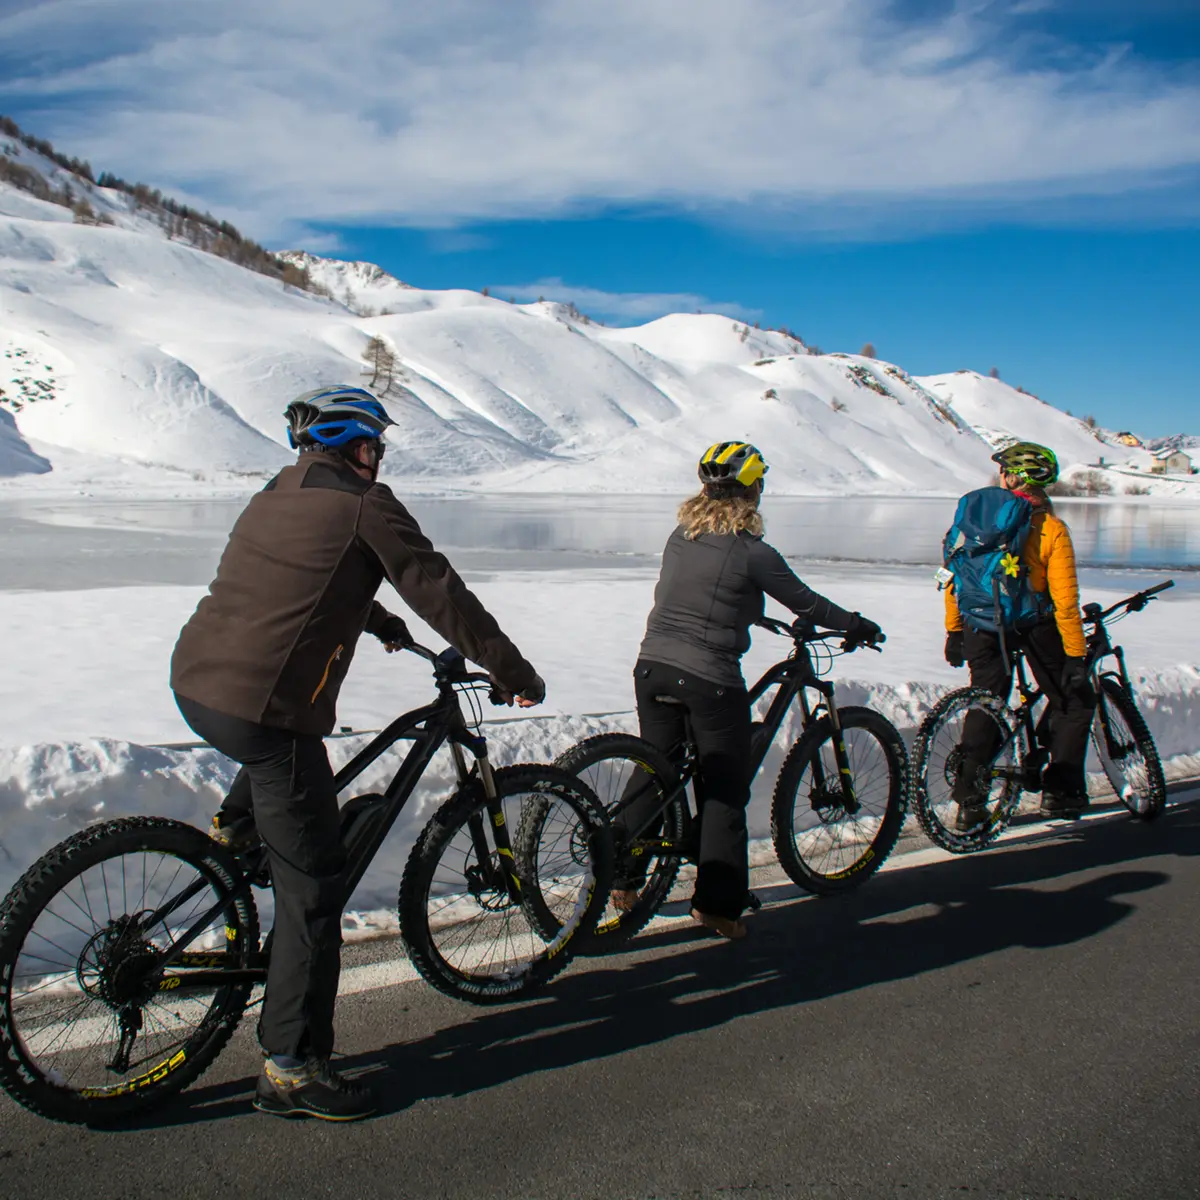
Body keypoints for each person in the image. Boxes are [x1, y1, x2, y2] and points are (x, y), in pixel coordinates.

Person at [170, 385, 544, 1121]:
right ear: (352, 444)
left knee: (283, 777)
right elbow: (440, 591)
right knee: (314, 885)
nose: (380, 457)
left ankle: (235, 831)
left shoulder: (279, 491)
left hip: (199, 683)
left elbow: (306, 575)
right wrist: (512, 670)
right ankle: (291, 1069)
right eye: (375, 444)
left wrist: (375, 623)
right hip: (268, 707)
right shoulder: (367, 503)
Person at [616, 441, 884, 939]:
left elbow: (698, 593)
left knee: (658, 767)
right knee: (723, 790)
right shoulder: (752, 551)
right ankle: (719, 906)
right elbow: (808, 603)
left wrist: (748, 613)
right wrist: (856, 624)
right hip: (708, 679)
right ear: (752, 491)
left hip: (651, 667)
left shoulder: (682, 535)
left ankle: (623, 878)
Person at [943, 441, 1095, 828]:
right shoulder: (1051, 529)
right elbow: (1065, 601)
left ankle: (969, 800)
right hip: (1033, 626)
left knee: (987, 701)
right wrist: (1076, 656)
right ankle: (1061, 792)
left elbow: (954, 576)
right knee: (1074, 701)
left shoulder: (977, 518)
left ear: (1010, 478)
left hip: (981, 623)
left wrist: (954, 630)